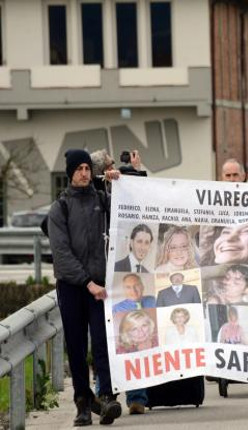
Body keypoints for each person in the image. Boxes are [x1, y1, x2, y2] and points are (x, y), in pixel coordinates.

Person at [47, 149, 122, 425]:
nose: (84, 173)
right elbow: (61, 253)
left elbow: (132, 210)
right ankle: (83, 402)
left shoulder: (103, 200)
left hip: (101, 286)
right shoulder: (60, 207)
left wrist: (119, 182)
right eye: (78, 168)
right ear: (70, 173)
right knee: (77, 346)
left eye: (87, 168)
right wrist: (87, 282)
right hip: (73, 287)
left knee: (104, 342)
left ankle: (108, 396)